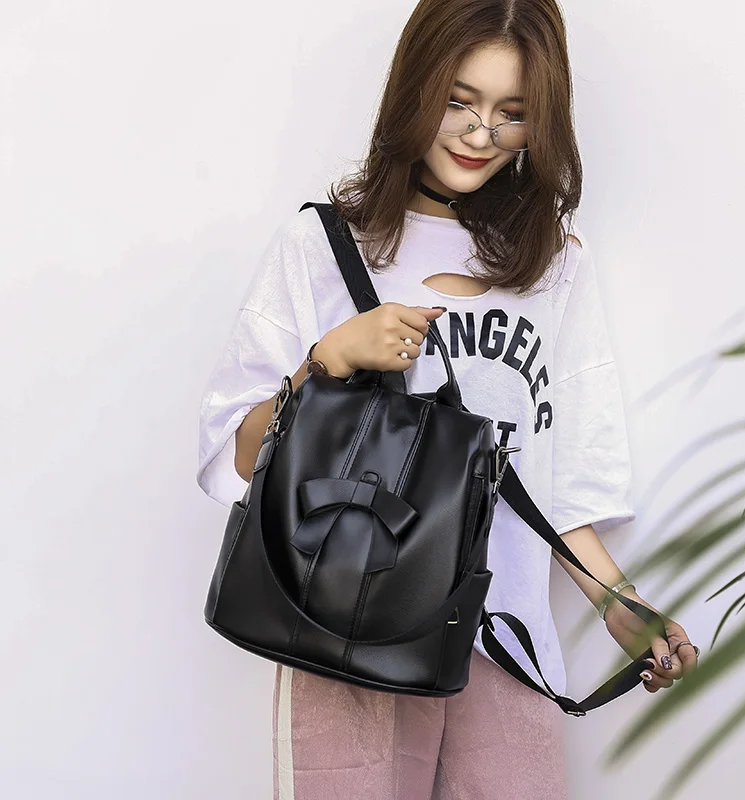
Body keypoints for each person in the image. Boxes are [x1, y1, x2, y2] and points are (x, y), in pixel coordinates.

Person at [196, 1, 698, 797]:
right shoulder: (322, 246)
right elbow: (236, 459)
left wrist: (620, 605)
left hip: (504, 637)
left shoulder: (555, 265)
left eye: (512, 113)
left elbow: (558, 476)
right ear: (415, 88)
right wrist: (326, 361)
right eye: (458, 101)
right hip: (343, 629)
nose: (479, 133)